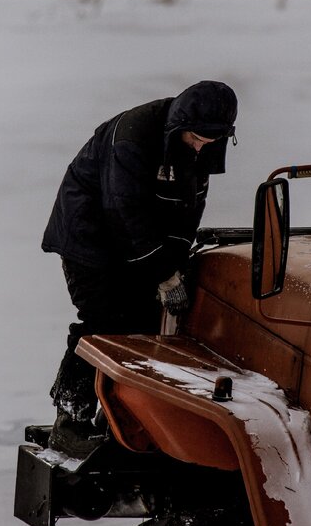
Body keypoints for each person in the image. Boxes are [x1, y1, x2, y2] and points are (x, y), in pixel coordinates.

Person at [42, 80, 238, 455]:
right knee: (104, 324)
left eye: (208, 143)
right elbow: (123, 212)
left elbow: (189, 210)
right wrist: (162, 273)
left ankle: (115, 418)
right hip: (89, 238)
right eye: (195, 139)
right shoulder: (131, 137)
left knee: (145, 326)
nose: (200, 148)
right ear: (180, 125)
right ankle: (70, 420)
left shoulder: (202, 144)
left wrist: (177, 260)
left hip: (137, 240)